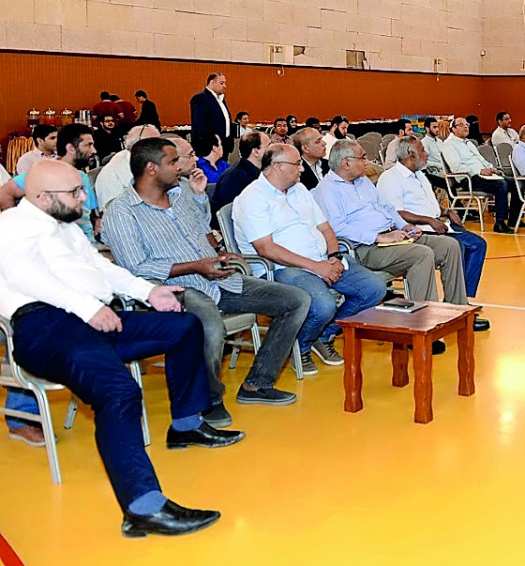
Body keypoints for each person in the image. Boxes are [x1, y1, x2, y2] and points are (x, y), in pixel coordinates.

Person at [0, 160, 243, 537]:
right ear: (42, 197)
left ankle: (186, 424)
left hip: (93, 318)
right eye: (75, 192)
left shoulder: (63, 226)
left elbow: (102, 269)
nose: (85, 197)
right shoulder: (13, 226)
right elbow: (25, 277)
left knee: (183, 326)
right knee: (118, 393)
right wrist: (87, 308)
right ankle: (142, 507)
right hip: (45, 326)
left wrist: (149, 291)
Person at [104, 137, 305, 426]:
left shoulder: (181, 192)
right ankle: (208, 400)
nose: (183, 166)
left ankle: (257, 384)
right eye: (173, 162)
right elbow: (135, 267)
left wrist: (216, 245)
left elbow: (201, 232)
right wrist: (196, 267)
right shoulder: (122, 212)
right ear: (151, 169)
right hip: (172, 291)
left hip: (215, 277)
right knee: (209, 324)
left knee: (295, 300)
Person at [231, 144, 386, 374]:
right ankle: (301, 345)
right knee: (323, 305)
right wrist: (318, 267)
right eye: (297, 164)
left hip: (322, 259)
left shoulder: (300, 190)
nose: (302, 169)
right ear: (278, 167)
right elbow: (267, 249)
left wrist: (333, 256)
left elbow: (325, 227)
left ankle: (323, 335)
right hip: (282, 268)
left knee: (374, 289)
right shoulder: (252, 198)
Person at [313, 140, 486, 339]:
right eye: (362, 157)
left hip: (393, 236)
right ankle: (421, 326)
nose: (367, 161)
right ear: (346, 163)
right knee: (421, 255)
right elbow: (337, 228)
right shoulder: (328, 190)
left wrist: (404, 226)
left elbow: (388, 208)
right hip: (366, 247)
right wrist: (379, 237)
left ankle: (457, 309)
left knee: (449, 246)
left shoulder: (362, 182)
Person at [378, 136, 490, 303]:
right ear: (411, 154)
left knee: (478, 245)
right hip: (419, 230)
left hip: (438, 223)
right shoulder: (390, 178)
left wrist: (447, 211)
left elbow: (428, 204)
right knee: (458, 247)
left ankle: (459, 297)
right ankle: (457, 302)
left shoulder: (420, 175)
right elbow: (396, 213)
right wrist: (429, 220)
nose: (427, 153)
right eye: (422, 150)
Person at [1, 123, 102, 242]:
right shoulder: (45, 173)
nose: (93, 151)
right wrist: (20, 229)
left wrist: (97, 221)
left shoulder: (82, 176)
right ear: (71, 149)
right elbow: (4, 194)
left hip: (86, 243)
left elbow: (91, 212)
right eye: (88, 145)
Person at [442, 116, 517, 233]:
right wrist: (479, 171)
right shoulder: (449, 144)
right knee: (501, 184)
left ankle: (514, 219)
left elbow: (481, 160)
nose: (466, 126)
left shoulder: (468, 143)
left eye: (467, 124)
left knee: (515, 183)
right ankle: (500, 222)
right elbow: (456, 167)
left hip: (484, 176)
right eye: (461, 125)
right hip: (469, 179)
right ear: (453, 129)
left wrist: (491, 168)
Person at [94, 124, 162, 210]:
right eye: (156, 144)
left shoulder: (136, 157)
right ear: (138, 144)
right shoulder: (121, 164)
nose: (161, 149)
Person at [211, 131, 267, 218]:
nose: (273, 150)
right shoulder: (232, 178)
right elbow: (234, 214)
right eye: (269, 145)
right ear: (256, 152)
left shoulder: (261, 171)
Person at [189, 72, 235, 155]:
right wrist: (213, 143)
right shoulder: (200, 98)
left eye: (225, 83)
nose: (224, 86)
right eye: (221, 83)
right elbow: (201, 125)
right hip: (209, 148)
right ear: (212, 82)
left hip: (223, 145)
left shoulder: (221, 99)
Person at [421, 118, 450, 192]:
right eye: (434, 127)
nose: (437, 129)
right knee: (451, 180)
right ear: (427, 129)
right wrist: (439, 165)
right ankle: (456, 202)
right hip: (434, 172)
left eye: (438, 127)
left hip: (445, 169)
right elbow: (424, 162)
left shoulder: (440, 141)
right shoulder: (424, 143)